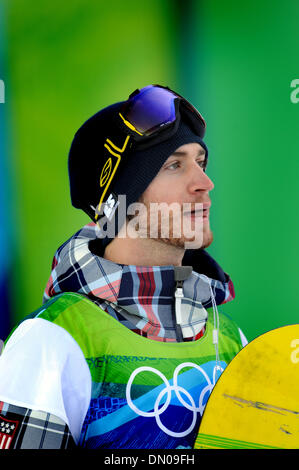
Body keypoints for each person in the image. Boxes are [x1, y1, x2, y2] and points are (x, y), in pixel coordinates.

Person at [0, 84, 247, 450]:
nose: (205, 183)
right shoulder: (52, 340)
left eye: (201, 162)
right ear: (120, 202)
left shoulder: (228, 339)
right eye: (174, 165)